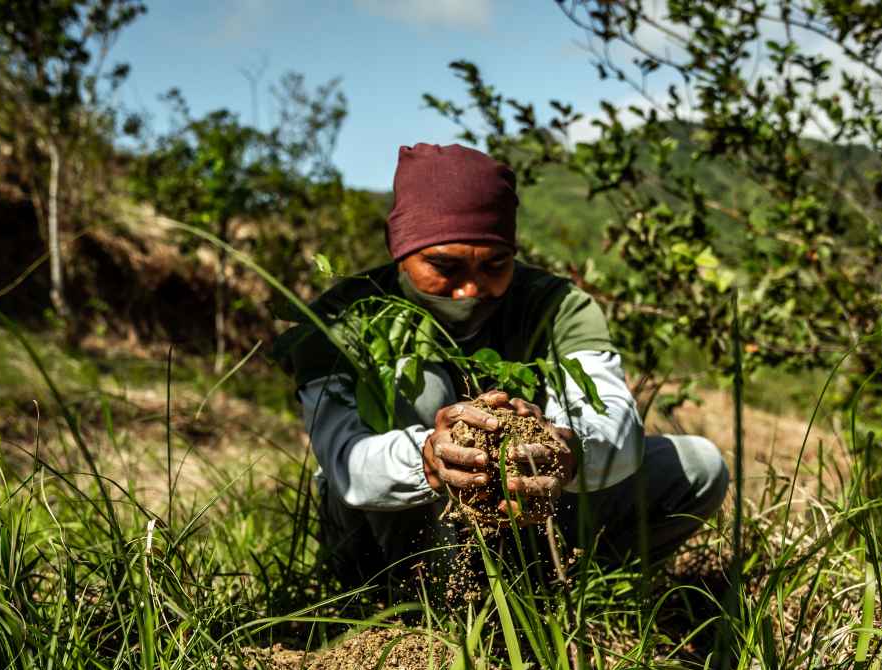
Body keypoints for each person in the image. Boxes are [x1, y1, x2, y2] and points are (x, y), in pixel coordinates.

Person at [274, 143, 728, 587]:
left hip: (529, 524)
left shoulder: (556, 305)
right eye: (444, 266)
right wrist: (428, 458)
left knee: (699, 465)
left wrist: (568, 451)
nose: (471, 289)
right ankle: (427, 596)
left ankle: (557, 587)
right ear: (399, 251)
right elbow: (344, 462)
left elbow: (611, 419)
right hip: (383, 539)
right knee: (420, 385)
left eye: (495, 264)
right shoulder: (339, 319)